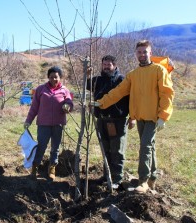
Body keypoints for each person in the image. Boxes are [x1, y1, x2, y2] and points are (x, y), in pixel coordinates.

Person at [91, 40, 174, 193]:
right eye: (139, 52)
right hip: (140, 116)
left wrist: (163, 115)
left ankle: (143, 181)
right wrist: (101, 103)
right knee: (149, 147)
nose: (142, 55)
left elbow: (166, 93)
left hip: (154, 117)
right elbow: (118, 92)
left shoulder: (159, 70)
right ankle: (152, 178)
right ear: (136, 54)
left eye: (145, 52)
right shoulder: (133, 75)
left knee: (145, 147)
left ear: (150, 53)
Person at [86, 55, 136, 189]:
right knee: (105, 149)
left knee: (117, 151)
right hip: (102, 120)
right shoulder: (98, 80)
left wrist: (133, 117)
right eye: (104, 65)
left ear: (114, 65)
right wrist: (88, 74)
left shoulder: (122, 80)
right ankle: (106, 176)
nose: (106, 67)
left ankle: (117, 179)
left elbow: (132, 99)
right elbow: (87, 86)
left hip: (117, 120)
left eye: (109, 65)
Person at [24, 66, 74, 181]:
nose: (54, 79)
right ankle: (35, 167)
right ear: (48, 77)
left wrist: (68, 106)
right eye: (51, 77)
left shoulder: (64, 90)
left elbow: (69, 102)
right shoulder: (40, 90)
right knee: (41, 146)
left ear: (60, 77)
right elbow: (34, 107)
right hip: (43, 124)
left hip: (58, 124)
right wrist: (28, 120)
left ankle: (52, 169)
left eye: (56, 77)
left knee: (55, 148)